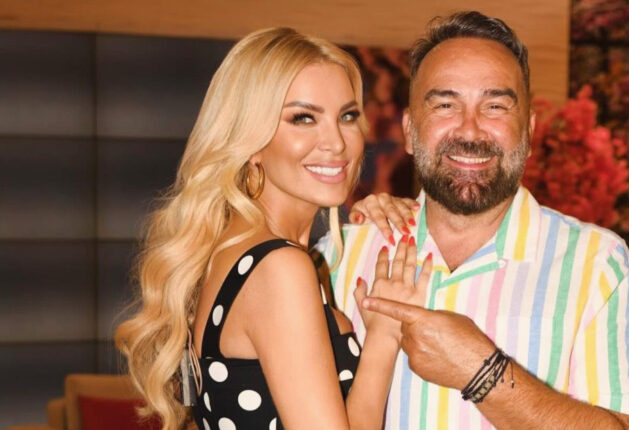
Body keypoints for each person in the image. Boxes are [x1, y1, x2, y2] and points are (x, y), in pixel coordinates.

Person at [317, 11, 629, 429]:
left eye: (495, 106)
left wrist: (482, 372)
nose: (470, 130)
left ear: (528, 131)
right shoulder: (340, 256)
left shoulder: (598, 264)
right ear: (408, 130)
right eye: (445, 104)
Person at [115, 27, 433, 430]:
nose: (336, 142)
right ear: (251, 141)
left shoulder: (239, 254)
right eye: (303, 118)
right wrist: (382, 340)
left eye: (347, 116)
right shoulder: (278, 266)